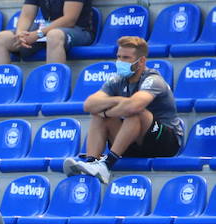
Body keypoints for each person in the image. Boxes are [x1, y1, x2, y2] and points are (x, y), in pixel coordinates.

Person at [63, 37, 184, 187]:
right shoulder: (117, 80)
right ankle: (92, 163)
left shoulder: (153, 80)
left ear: (141, 61)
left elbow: (134, 106)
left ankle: (106, 165)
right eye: (119, 57)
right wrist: (118, 101)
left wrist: (107, 111)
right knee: (97, 115)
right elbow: (89, 105)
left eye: (126, 58)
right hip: (133, 141)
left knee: (136, 112)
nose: (120, 62)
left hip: (165, 142)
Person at [0, 0, 95, 66]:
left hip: (79, 30)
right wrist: (20, 34)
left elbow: (69, 20)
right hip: (47, 29)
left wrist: (39, 34)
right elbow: (26, 15)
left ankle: (54, 90)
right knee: (2, 39)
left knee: (54, 36)